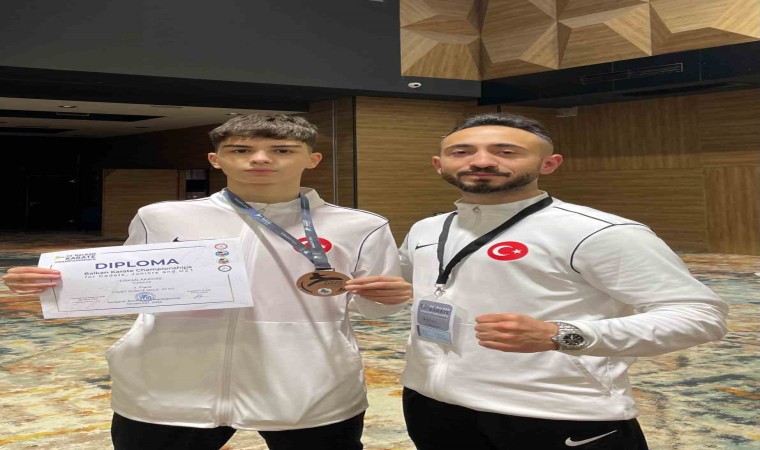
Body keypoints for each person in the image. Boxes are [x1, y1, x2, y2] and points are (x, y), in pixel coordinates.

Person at [3, 113, 412, 450]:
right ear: (216, 160)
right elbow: (126, 286)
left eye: (282, 150)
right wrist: (53, 284)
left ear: (313, 159)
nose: (260, 159)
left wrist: (389, 298)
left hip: (306, 384)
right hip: (170, 384)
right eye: (241, 150)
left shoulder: (360, 226)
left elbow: (375, 309)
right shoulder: (161, 217)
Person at [399, 112, 728, 450]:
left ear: (549, 164)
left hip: (555, 411)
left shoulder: (599, 232)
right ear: (439, 164)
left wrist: (559, 334)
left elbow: (700, 317)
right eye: (462, 152)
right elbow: (413, 284)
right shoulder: (427, 229)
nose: (481, 161)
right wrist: (390, 289)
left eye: (506, 152)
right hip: (432, 403)